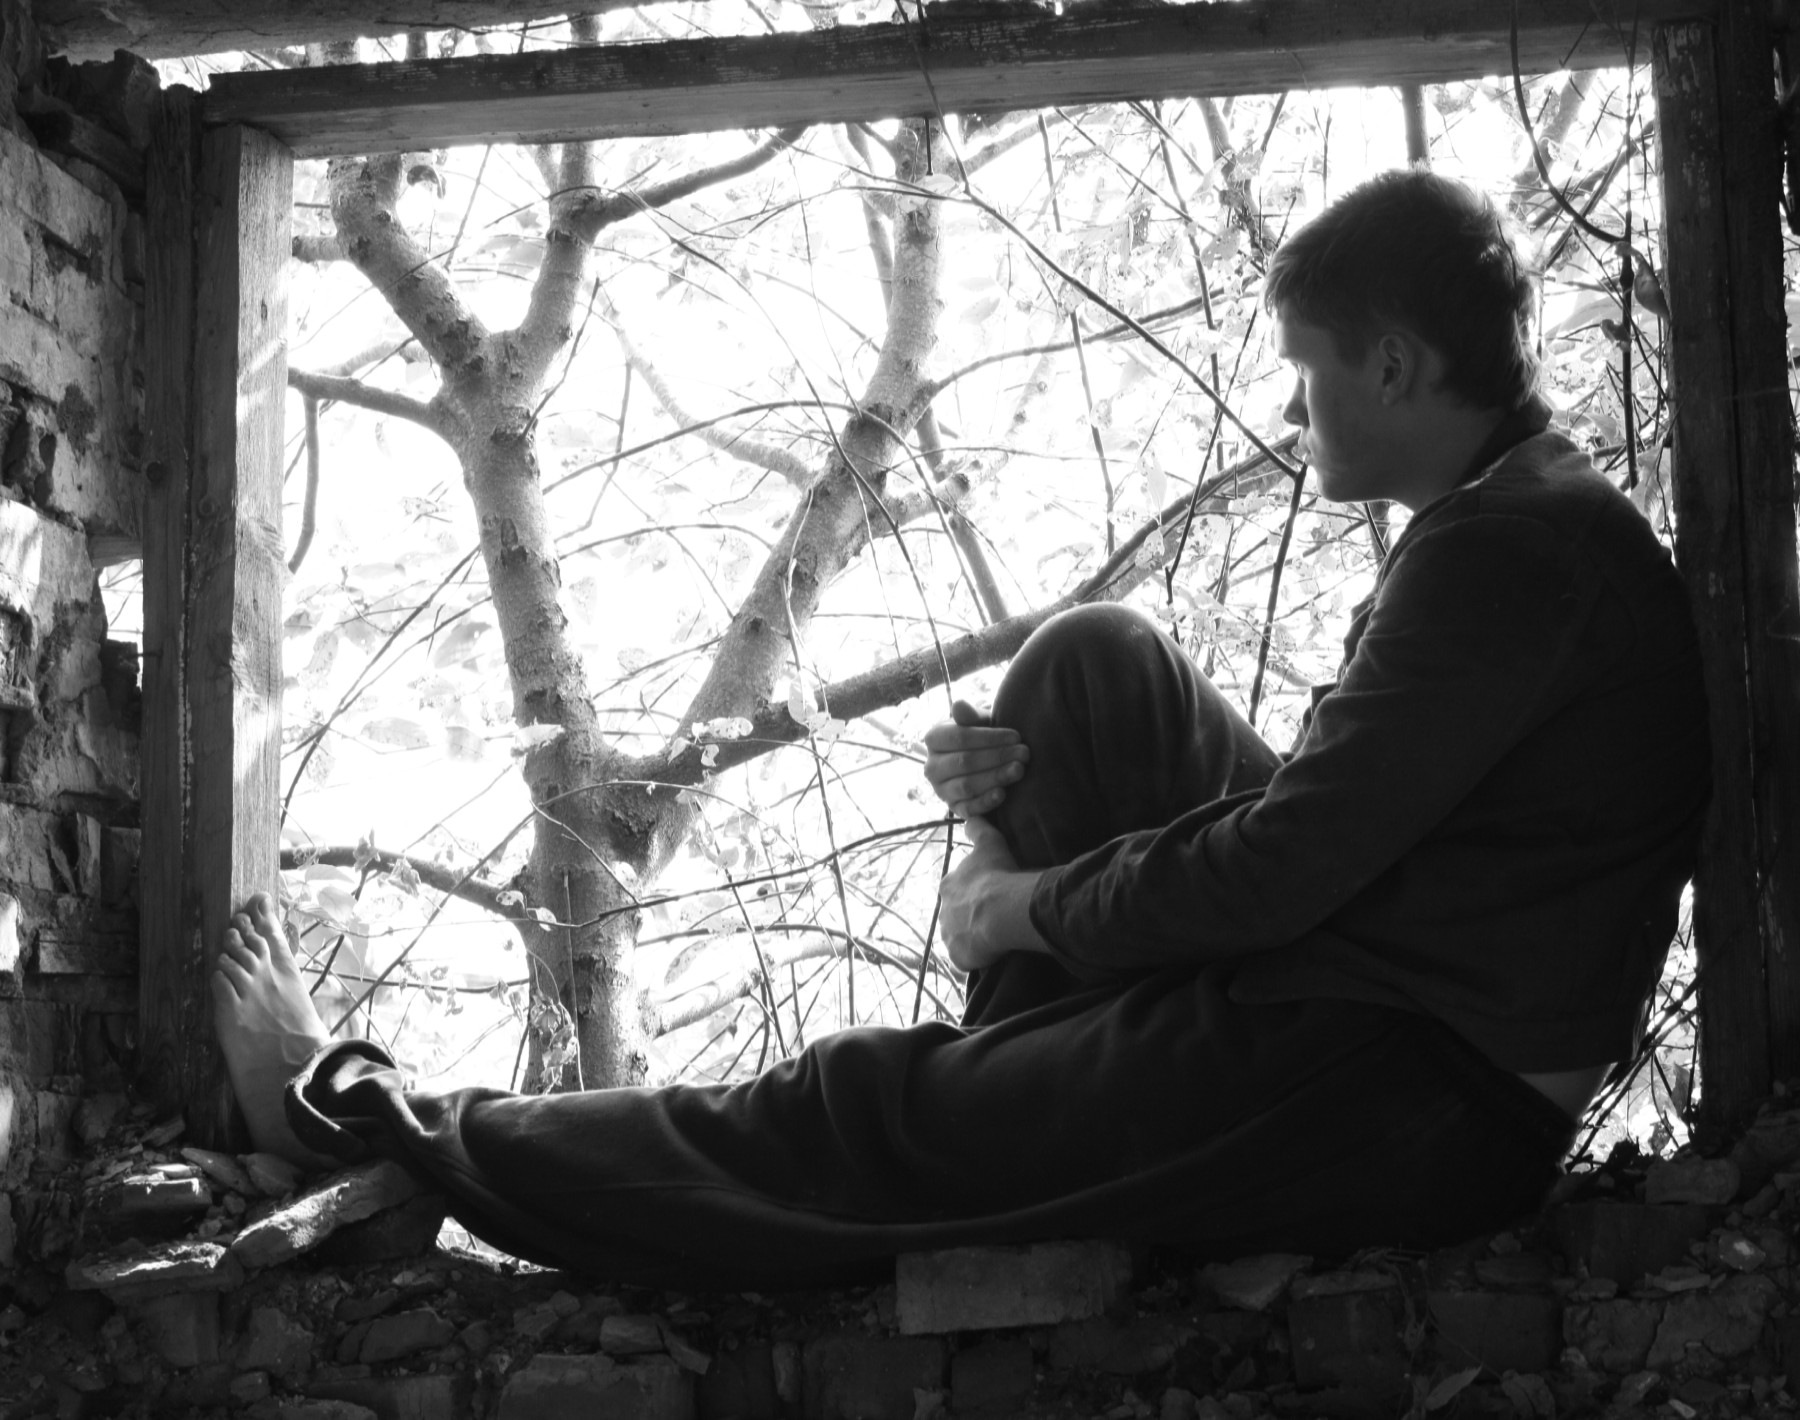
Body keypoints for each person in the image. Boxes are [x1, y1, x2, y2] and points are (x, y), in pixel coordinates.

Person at [211, 170, 1708, 1289]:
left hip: (1413, 1097)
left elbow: (1282, 867)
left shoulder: (1511, 553)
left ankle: (351, 1114)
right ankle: (1010, 1104)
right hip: (1371, 1015)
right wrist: (1015, 838)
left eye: (1307, 366)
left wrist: (1022, 902)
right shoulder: (1515, 514)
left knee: (851, 1107)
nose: (1292, 407)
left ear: (1392, 364)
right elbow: (1328, 836)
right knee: (1096, 666)